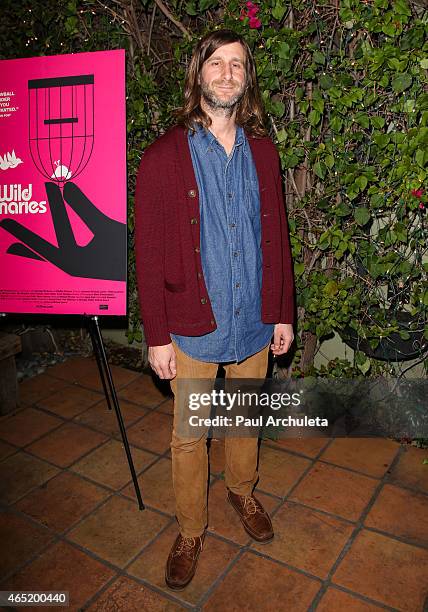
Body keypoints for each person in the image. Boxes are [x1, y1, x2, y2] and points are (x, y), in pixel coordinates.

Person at [135, 28, 295, 590]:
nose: (227, 73)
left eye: (238, 64)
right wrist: (156, 335)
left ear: (246, 79)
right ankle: (190, 528)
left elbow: (277, 239)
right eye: (216, 63)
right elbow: (149, 254)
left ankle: (241, 492)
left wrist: (282, 312)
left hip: (253, 317)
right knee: (190, 432)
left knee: (246, 418)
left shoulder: (265, 152)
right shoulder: (162, 157)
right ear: (198, 73)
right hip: (193, 324)